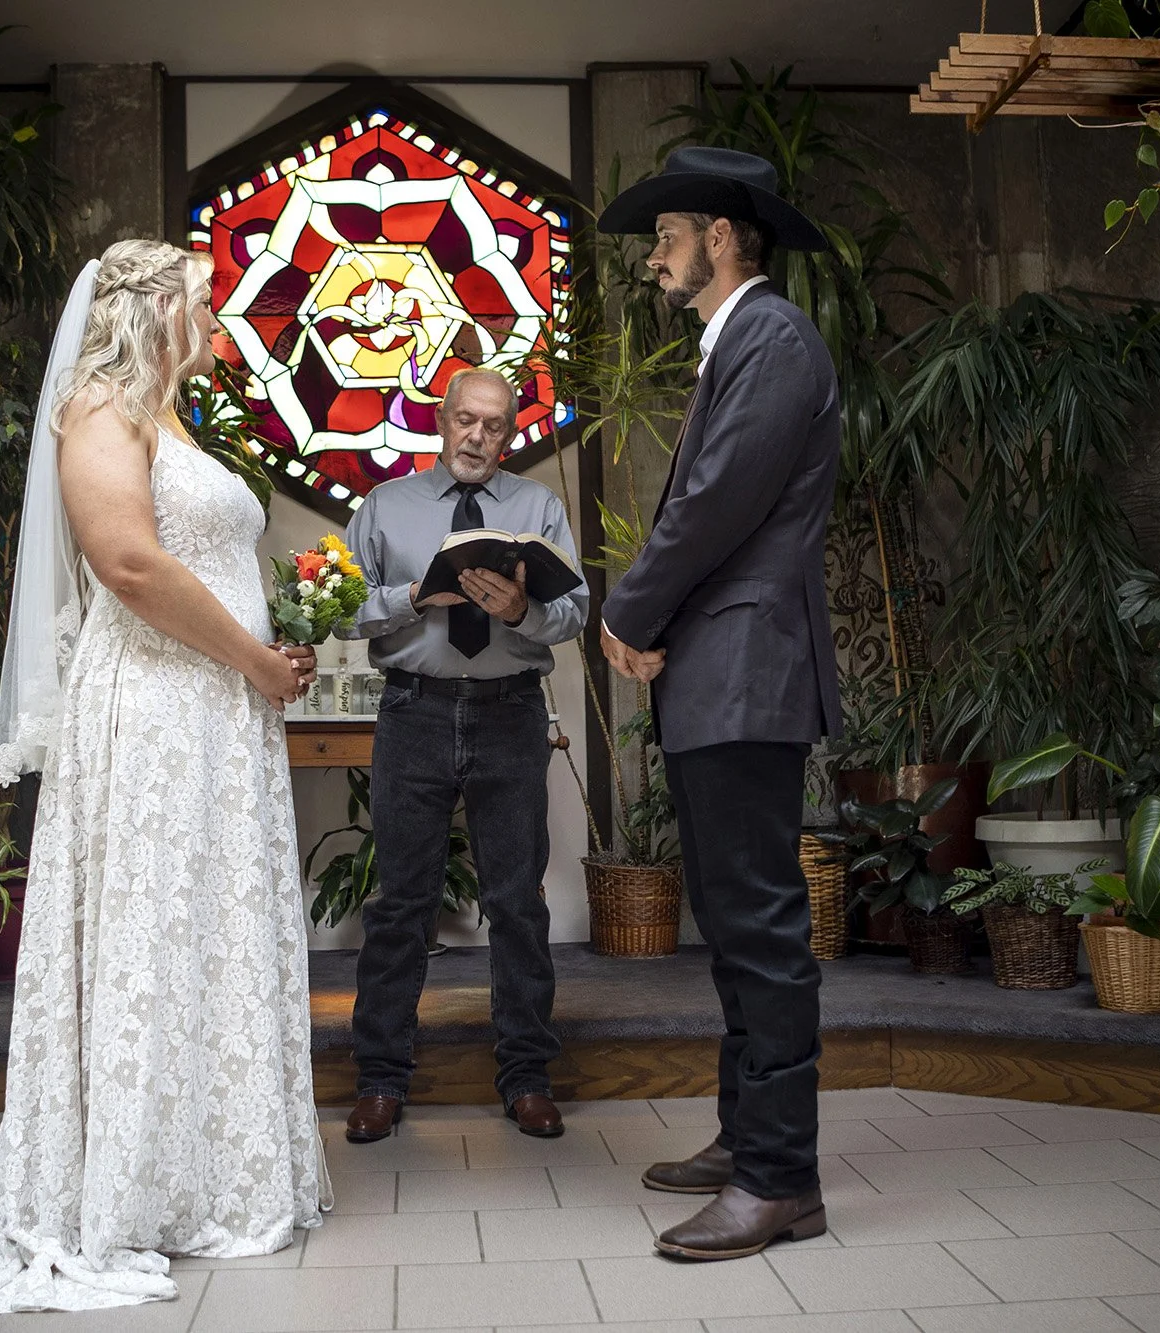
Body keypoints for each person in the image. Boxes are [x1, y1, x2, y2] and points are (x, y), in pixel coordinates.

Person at [0, 240, 329, 1315]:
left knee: (206, 930)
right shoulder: (102, 407)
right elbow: (129, 563)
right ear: (151, 307)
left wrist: (268, 657)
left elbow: (211, 558)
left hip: (214, 712)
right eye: (203, 299)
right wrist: (250, 658)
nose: (217, 317)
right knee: (147, 928)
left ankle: (205, 1173)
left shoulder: (175, 414)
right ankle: (125, 1187)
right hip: (153, 709)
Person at [595, 147, 843, 1260]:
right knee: (734, 925)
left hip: (746, 671)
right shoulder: (736, 343)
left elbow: (709, 506)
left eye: (668, 236)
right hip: (718, 670)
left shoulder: (771, 338)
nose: (656, 257)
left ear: (724, 237)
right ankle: (747, 1138)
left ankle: (780, 1179)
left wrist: (626, 615)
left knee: (759, 929)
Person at [336, 368, 590, 1144]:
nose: (479, 437)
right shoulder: (387, 506)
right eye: (466, 421)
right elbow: (339, 609)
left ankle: (526, 1078)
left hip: (510, 715)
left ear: (511, 433)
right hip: (413, 713)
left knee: (517, 903)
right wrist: (414, 597)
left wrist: (524, 609)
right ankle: (380, 1079)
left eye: (496, 426)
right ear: (440, 422)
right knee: (400, 905)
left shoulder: (537, 507)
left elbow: (576, 609)